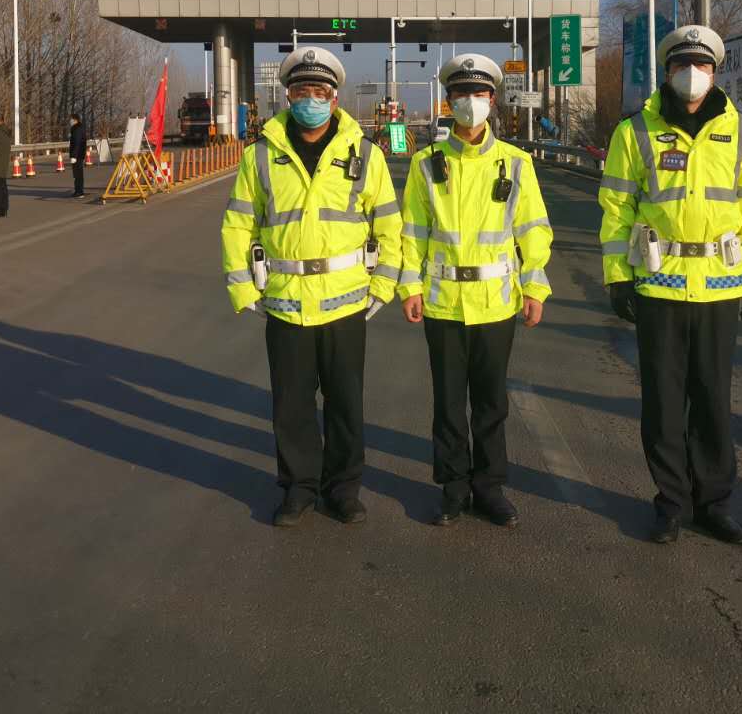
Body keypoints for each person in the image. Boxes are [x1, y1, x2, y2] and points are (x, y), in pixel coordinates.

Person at [599, 25, 742, 546]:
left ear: (715, 73)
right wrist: (618, 277)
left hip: (721, 286)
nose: (692, 74)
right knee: (663, 402)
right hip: (659, 286)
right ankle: (671, 504)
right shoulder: (634, 132)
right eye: (682, 65)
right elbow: (616, 209)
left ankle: (713, 504)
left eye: (701, 65)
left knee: (713, 400)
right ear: (668, 71)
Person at [220, 47, 402, 528]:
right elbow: (238, 225)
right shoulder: (261, 155)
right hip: (285, 303)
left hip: (347, 304)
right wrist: (243, 289)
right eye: (302, 91)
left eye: (319, 92)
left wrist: (384, 286)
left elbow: (389, 224)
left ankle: (343, 490)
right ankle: (298, 488)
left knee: (345, 404)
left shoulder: (366, 155)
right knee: (292, 405)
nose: (310, 100)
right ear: (288, 97)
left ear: (334, 98)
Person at [398, 53, 553, 528]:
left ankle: (489, 488)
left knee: (491, 405)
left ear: (493, 100)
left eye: (480, 93)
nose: (471, 101)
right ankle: (453, 488)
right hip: (443, 303)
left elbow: (533, 230)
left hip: (496, 304)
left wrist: (535, 286)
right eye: (462, 93)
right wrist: (409, 285)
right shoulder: (427, 164)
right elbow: (413, 231)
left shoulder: (516, 164)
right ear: (449, 102)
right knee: (448, 404)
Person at [68, 113, 87, 197]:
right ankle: (78, 190)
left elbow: (77, 143)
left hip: (78, 155)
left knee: (77, 174)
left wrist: (74, 156)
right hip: (79, 154)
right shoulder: (77, 128)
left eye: (71, 119)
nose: (70, 121)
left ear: (75, 120)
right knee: (77, 174)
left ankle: (79, 192)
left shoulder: (77, 129)